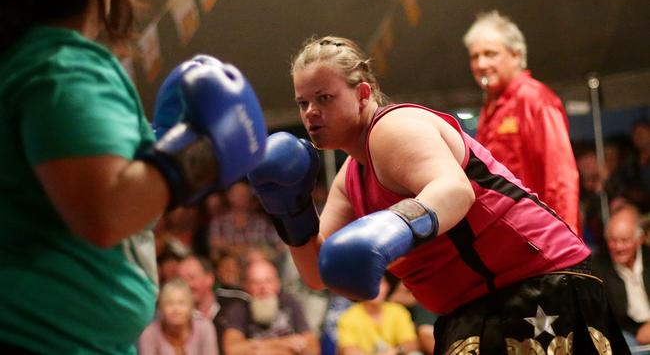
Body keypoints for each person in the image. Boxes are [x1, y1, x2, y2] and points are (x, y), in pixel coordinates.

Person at [247, 35, 629, 354]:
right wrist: (290, 211)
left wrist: (393, 225)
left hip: (540, 285)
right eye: (303, 103)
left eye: (324, 98)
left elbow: (453, 190)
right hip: (470, 309)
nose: (311, 112)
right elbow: (319, 273)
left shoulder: (394, 129)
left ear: (363, 94)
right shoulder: (350, 178)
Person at [0, 0, 267, 353]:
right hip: (50, 338)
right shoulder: (62, 63)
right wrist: (202, 149)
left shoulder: (23, 62)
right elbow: (106, 213)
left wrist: (156, 153)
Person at [462, 10, 580, 234]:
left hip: (540, 236)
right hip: (508, 237)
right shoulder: (490, 108)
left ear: (516, 56)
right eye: (474, 56)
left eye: (490, 54)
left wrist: (567, 240)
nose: (481, 63)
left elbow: (560, 176)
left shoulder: (534, 98)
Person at [220, 259, 320, 355]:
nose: (263, 288)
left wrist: (256, 349)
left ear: (278, 284)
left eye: (268, 281)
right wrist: (282, 344)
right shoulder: (239, 308)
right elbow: (232, 350)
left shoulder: (289, 302)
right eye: (256, 282)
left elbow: (313, 348)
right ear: (247, 286)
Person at [594, 205, 650, 352]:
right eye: (613, 240)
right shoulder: (598, 267)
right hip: (627, 332)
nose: (618, 247)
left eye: (624, 240)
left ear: (639, 239)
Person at [336, 276, 419, 355]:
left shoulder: (398, 311)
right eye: (370, 284)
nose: (376, 288)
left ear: (387, 287)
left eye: (380, 283)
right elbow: (348, 351)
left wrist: (395, 351)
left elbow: (411, 344)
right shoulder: (349, 317)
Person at [139, 278, 219, 355]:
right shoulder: (150, 332)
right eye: (169, 303)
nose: (176, 310)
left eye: (181, 303)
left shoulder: (205, 328)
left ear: (190, 306)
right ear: (161, 308)